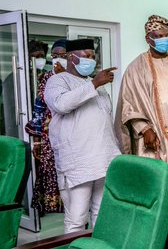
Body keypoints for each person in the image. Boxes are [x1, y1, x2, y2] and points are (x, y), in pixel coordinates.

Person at [115, 15, 168, 194]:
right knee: (158, 187)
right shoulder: (136, 68)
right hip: (154, 137)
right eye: (159, 36)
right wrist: (144, 128)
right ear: (148, 38)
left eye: (166, 35)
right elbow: (128, 104)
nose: (164, 39)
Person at [43, 39, 120, 232]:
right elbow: (61, 104)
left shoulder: (97, 87)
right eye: (86, 56)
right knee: (77, 219)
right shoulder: (57, 81)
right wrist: (94, 83)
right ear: (71, 57)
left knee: (101, 215)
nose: (90, 60)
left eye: (93, 57)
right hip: (78, 164)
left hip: (103, 160)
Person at [25, 39, 68, 214]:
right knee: (53, 170)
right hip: (50, 133)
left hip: (73, 134)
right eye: (55, 56)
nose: (58, 59)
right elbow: (39, 108)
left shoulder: (79, 78)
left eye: (62, 56)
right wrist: (37, 140)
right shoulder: (47, 77)